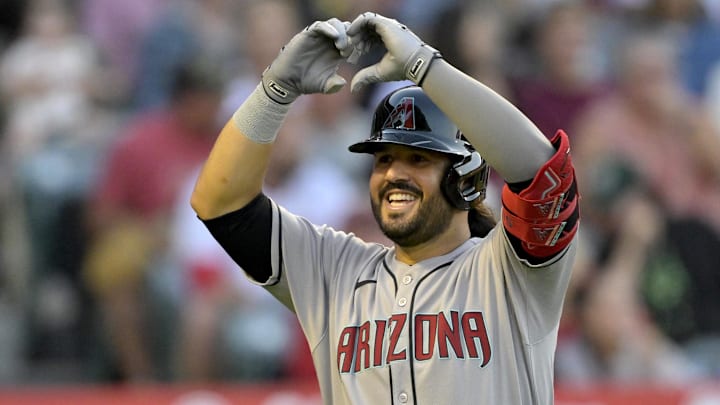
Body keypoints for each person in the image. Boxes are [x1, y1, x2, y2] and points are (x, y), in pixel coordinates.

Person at [191, 12, 579, 404]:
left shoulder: (512, 273)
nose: (394, 174)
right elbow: (221, 205)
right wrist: (275, 90)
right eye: (384, 159)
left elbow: (543, 174)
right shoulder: (334, 272)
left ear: (465, 177)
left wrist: (425, 67)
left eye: (419, 160)